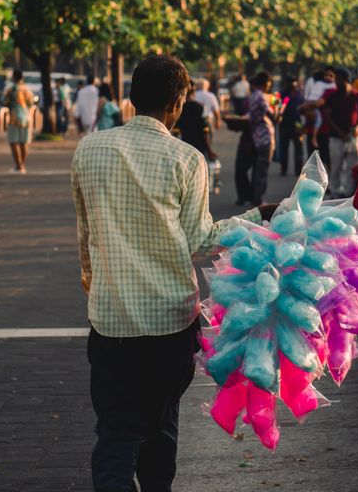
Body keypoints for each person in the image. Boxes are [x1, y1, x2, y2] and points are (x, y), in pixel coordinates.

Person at [71, 54, 277, 492]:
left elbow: (86, 231)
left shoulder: (88, 149)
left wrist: (94, 283)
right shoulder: (187, 159)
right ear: (178, 103)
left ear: (130, 97)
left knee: (117, 431)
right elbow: (201, 243)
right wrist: (257, 218)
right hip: (169, 323)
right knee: (159, 428)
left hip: (111, 323)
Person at [324, 67, 358, 198]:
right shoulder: (332, 96)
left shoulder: (357, 96)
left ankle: (349, 193)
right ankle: (335, 193)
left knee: (352, 166)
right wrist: (340, 132)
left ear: (346, 80)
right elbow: (328, 116)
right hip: (336, 137)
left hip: (353, 137)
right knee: (336, 166)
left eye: (338, 79)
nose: (336, 81)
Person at [248, 71, 275, 205]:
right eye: (268, 84)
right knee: (262, 169)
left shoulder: (252, 96)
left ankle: (255, 197)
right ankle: (258, 199)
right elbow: (272, 114)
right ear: (265, 83)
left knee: (259, 168)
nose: (269, 87)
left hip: (256, 136)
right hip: (265, 136)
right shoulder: (261, 97)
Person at [301, 66, 336, 162]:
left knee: (322, 159)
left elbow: (317, 103)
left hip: (324, 130)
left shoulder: (331, 90)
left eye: (331, 75)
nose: (328, 78)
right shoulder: (319, 86)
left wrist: (306, 106)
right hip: (312, 127)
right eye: (326, 75)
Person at [176, 81, 217, 161]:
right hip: (199, 146)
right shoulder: (200, 108)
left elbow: (176, 130)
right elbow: (205, 130)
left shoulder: (178, 108)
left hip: (184, 145)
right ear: (193, 92)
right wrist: (209, 150)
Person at [4, 70, 34, 174]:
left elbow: (5, 101)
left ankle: (18, 166)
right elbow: (31, 103)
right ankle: (22, 165)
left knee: (14, 142)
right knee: (23, 142)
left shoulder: (11, 89)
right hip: (27, 118)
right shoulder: (27, 89)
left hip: (14, 118)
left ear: (14, 77)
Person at [278, 75, 304, 177]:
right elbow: (279, 108)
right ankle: (283, 169)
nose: (293, 84)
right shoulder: (282, 94)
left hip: (297, 125)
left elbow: (303, 108)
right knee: (284, 148)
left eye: (294, 82)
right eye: (291, 82)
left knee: (298, 148)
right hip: (284, 125)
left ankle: (298, 170)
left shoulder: (299, 94)